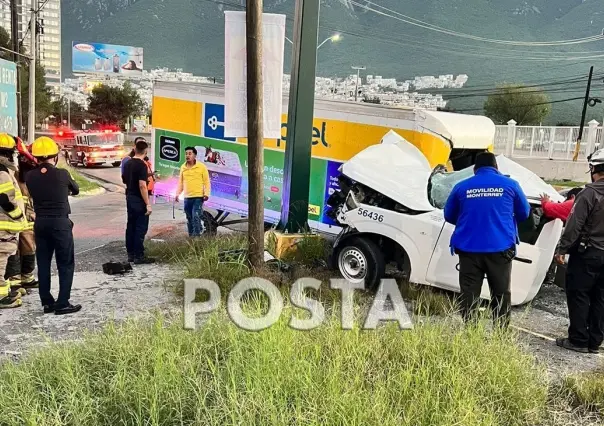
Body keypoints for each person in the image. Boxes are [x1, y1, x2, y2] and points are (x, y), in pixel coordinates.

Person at [444, 152, 530, 328]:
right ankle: (500, 334)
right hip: (500, 248)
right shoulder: (510, 185)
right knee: (501, 293)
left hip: (468, 249)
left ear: (475, 169)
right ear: (496, 168)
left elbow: (449, 215)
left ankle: (470, 333)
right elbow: (524, 213)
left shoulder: (462, 187)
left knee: (469, 294)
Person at [554, 150, 604, 354]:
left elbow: (574, 225)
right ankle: (595, 342)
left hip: (587, 254)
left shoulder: (589, 193)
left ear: (594, 169)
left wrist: (562, 248)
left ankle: (578, 340)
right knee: (601, 298)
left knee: (579, 294)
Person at [25, 137, 81, 315]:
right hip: (60, 222)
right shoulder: (62, 174)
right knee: (65, 263)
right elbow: (76, 189)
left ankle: (47, 302)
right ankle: (63, 302)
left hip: (40, 222)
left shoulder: (29, 176)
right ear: (55, 156)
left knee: (43, 263)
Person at [5, 137, 39, 295]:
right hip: (13, 218)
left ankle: (26, 277)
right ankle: (15, 281)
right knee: (13, 249)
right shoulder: (9, 172)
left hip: (26, 217)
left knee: (28, 246)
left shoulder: (26, 173)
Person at [123, 139, 154, 264]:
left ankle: (130, 254)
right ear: (146, 151)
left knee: (131, 226)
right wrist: (147, 204)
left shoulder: (128, 163)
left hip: (129, 197)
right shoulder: (141, 165)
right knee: (140, 228)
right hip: (138, 199)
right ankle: (139, 256)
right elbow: (142, 186)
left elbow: (125, 180)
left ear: (135, 149)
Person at [175, 147, 211, 237]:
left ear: (195, 155)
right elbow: (181, 182)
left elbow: (207, 182)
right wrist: (177, 193)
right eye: (186, 153)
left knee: (196, 216)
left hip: (198, 197)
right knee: (189, 217)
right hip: (187, 197)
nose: (187, 155)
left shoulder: (201, 167)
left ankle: (196, 237)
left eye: (190, 153)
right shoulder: (183, 167)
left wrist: (206, 194)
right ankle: (191, 236)